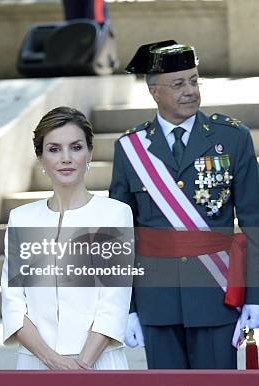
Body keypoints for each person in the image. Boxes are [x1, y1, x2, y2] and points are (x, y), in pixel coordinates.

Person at [110, 40, 259, 368]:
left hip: (216, 295)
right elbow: (119, 236)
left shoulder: (232, 138)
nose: (190, 90)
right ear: (154, 91)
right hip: (155, 299)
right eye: (178, 83)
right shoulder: (130, 147)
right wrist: (126, 307)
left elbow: (254, 222)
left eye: (194, 80)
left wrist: (255, 296)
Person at [1, 106, 133, 370]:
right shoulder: (21, 218)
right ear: (40, 158)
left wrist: (80, 367)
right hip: (36, 364)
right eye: (54, 149)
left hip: (98, 363)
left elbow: (114, 302)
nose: (66, 158)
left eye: (76, 147)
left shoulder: (115, 214)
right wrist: (52, 361)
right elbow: (14, 304)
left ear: (90, 153)